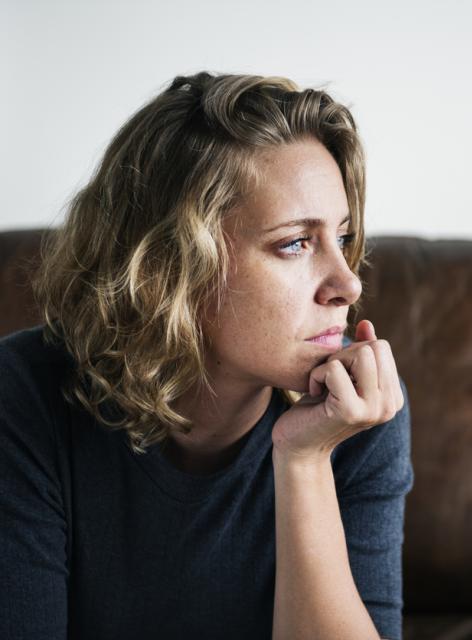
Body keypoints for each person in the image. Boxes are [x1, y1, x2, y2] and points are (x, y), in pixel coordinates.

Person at [0, 71, 414, 639]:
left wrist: (304, 461)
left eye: (341, 239)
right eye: (295, 243)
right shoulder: (21, 397)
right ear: (170, 266)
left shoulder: (356, 408)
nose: (348, 283)